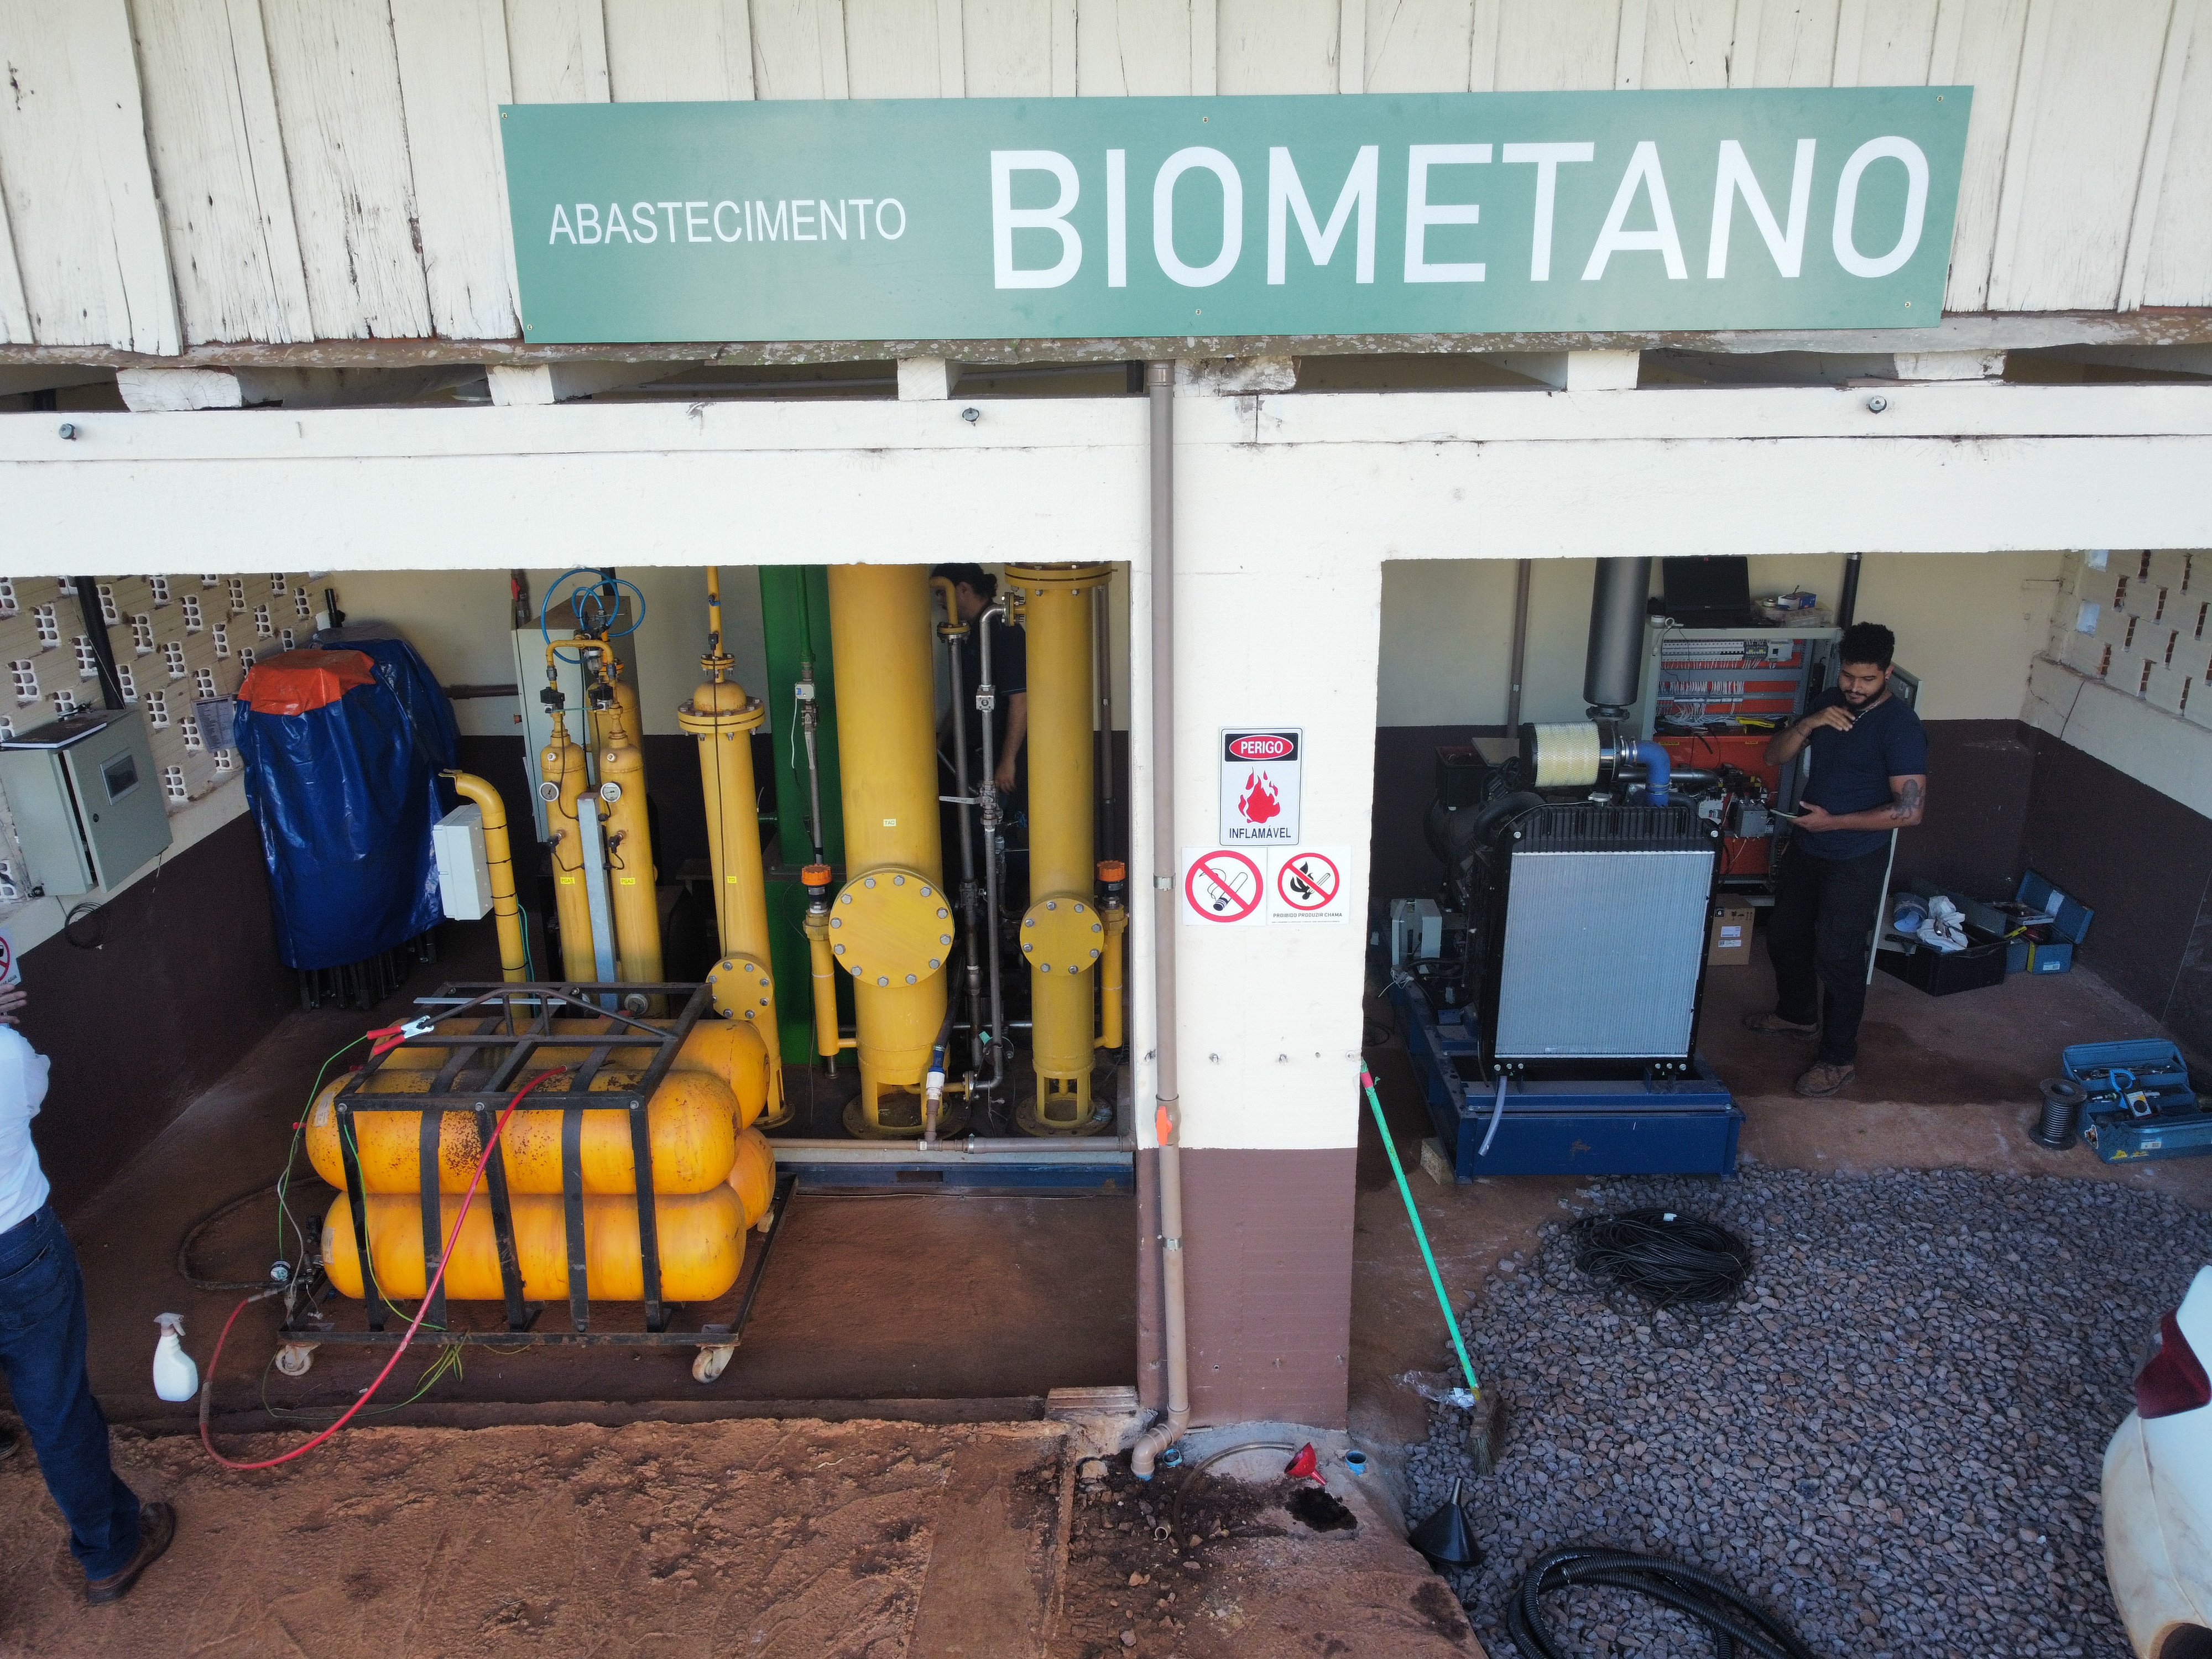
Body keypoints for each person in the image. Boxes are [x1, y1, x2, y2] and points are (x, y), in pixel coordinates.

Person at [0, 978, 175, 1604]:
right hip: (17, 1250)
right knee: (56, 1408)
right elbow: (32, 1096)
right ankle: (111, 1553)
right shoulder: (8, 1055)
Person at [1747, 621, 1928, 1098]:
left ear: (1887, 673)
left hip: (1855, 854)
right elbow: (1774, 755)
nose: (1855, 687)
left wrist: (1835, 823)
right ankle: (1798, 1015)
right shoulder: (1829, 700)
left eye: (1867, 679)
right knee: (1785, 935)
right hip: (1810, 844)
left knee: (1839, 955)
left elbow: (1909, 812)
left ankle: (1838, 1058)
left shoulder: (1901, 727)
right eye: (1849, 676)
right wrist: (1809, 723)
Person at [930, 562, 1027, 798]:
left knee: (993, 825)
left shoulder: (1004, 630)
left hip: (996, 754)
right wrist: (942, 739)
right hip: (973, 751)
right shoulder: (969, 632)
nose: (940, 602)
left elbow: (1021, 700)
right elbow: (963, 696)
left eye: (942, 593)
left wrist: (1008, 762)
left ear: (963, 589)